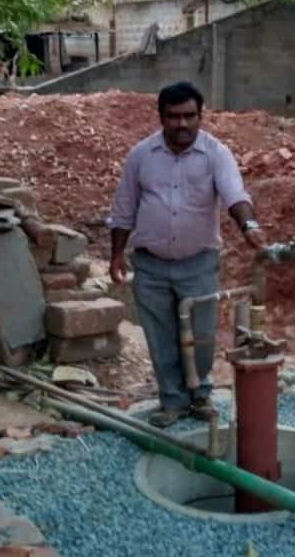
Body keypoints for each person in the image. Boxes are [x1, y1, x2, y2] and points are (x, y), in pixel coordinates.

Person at [108, 81, 268, 427]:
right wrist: (116, 254)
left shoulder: (216, 154)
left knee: (201, 337)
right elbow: (124, 208)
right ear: (161, 117)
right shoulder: (141, 156)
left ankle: (200, 397)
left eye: (189, 116)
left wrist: (249, 227)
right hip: (150, 265)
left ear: (200, 115)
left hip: (198, 263)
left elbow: (234, 195)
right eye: (174, 117)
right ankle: (172, 401)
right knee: (160, 336)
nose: (182, 124)